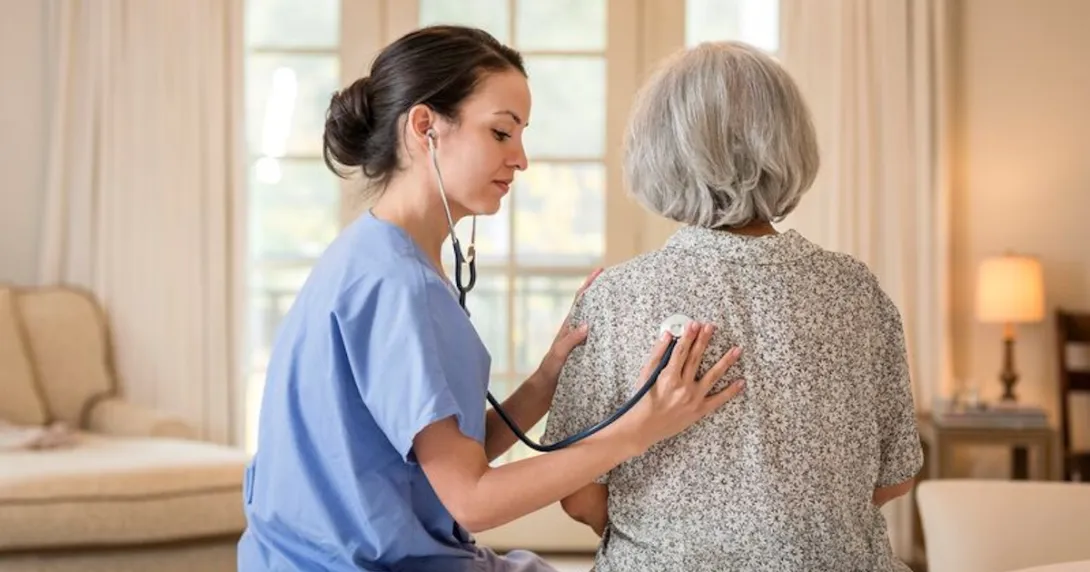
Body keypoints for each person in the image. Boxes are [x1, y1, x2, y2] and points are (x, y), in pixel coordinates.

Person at [236, 25, 747, 572]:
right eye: (502, 134)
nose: (521, 159)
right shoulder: (398, 286)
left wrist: (546, 378)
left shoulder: (372, 253)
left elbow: (440, 456)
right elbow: (471, 498)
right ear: (425, 127)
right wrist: (641, 429)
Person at [541, 41, 924, 571]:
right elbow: (896, 477)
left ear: (658, 151)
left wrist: (675, 540)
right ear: (791, 145)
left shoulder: (614, 298)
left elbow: (577, 494)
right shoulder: (858, 289)